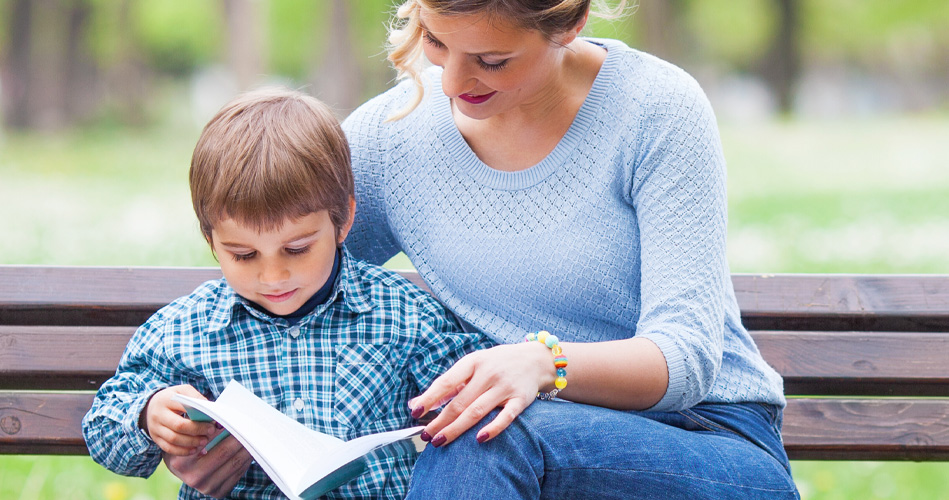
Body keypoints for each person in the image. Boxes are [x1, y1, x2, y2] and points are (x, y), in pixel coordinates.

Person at [339, 0, 801, 498]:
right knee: (483, 430)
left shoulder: (656, 107)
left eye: (492, 61)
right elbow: (276, 271)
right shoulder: (391, 136)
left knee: (488, 433)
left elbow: (685, 358)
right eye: (435, 42)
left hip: (706, 439)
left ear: (571, 25)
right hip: (515, 449)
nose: (451, 82)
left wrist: (544, 363)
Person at [81, 87, 491, 500]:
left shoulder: (405, 315)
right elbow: (102, 428)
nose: (273, 275)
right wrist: (149, 414)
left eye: (297, 249)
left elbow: (473, 409)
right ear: (210, 240)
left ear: (343, 220)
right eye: (243, 255)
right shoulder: (186, 329)